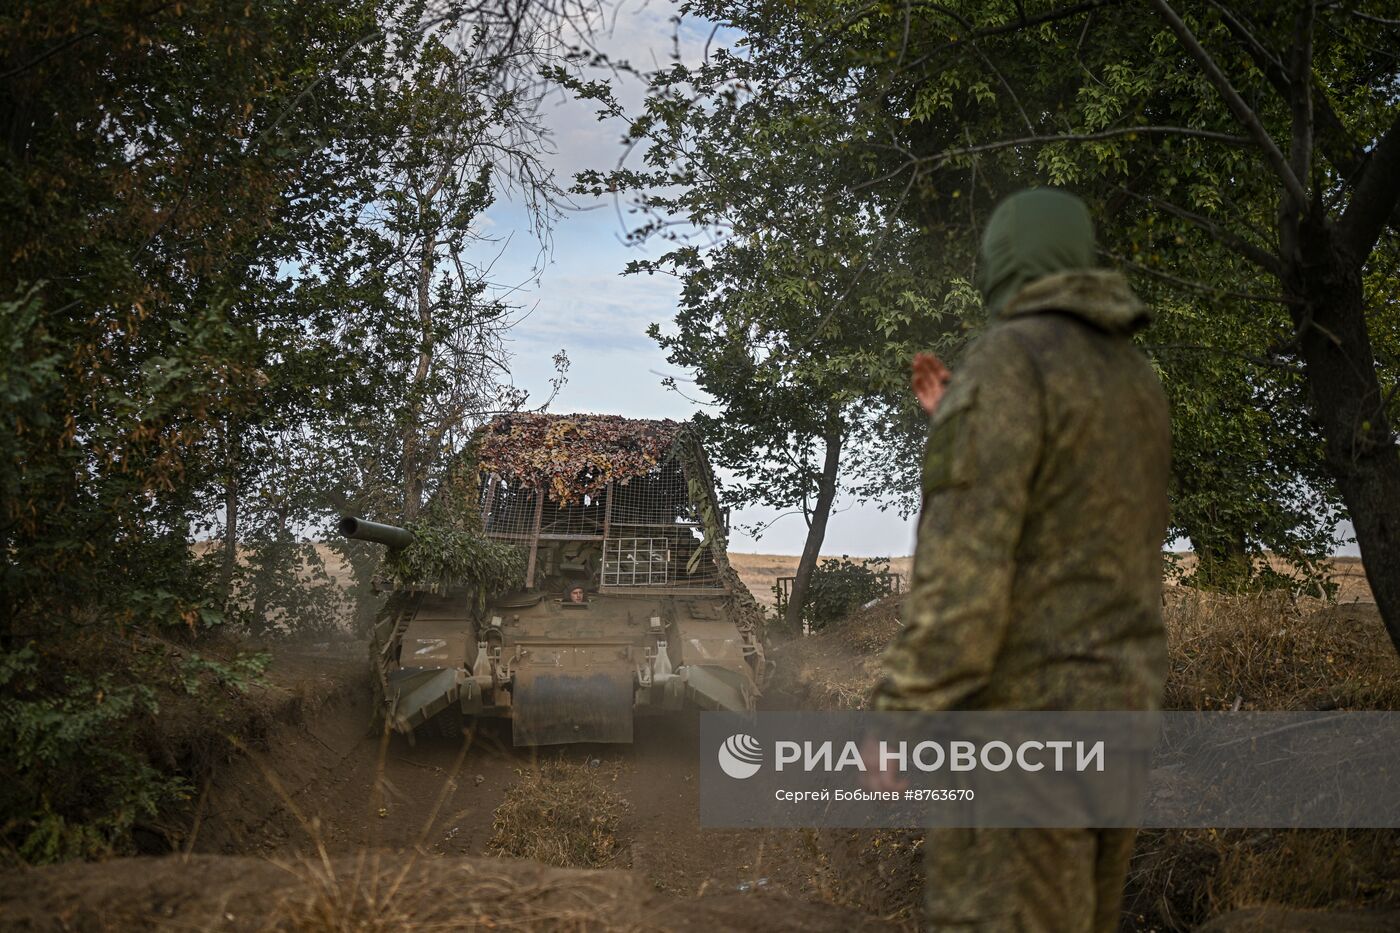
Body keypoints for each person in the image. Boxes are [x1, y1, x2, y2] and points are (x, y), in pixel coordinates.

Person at [871, 188, 1171, 932]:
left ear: (1000, 266)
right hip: (1122, 727)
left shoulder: (1010, 362)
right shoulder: (1135, 382)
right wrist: (961, 422)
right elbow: (1073, 520)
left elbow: (964, 583)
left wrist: (899, 715)